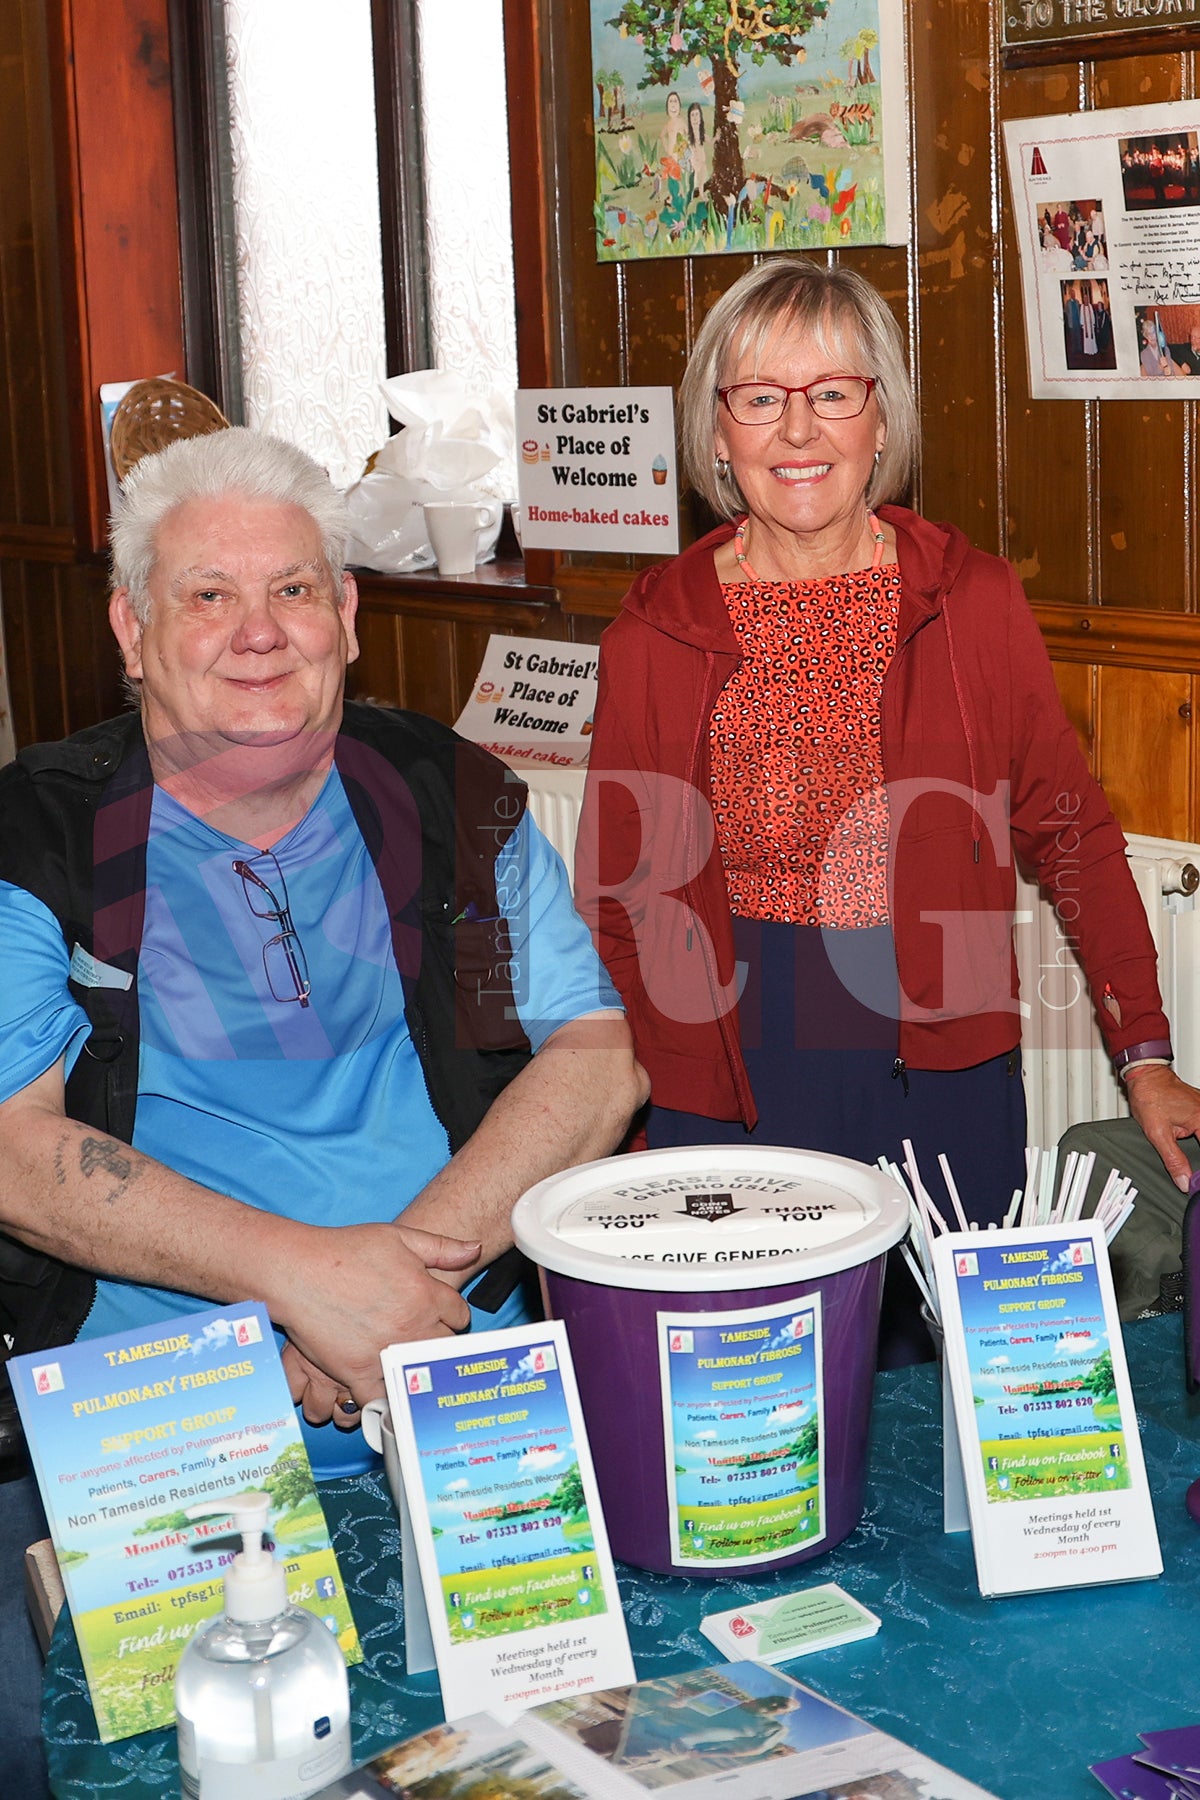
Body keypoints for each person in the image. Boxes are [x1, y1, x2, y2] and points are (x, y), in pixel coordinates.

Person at [0, 428, 647, 1796]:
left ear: (347, 615)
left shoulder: (448, 789)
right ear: (130, 625)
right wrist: (299, 1286)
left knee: (558, 1761)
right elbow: (18, 1149)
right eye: (206, 596)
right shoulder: (37, 836)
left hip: (460, 1375)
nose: (258, 634)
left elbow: (597, 1057)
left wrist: (387, 1297)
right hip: (169, 1436)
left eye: (294, 590)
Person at [575, 256, 1200, 1360]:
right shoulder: (652, 633)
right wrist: (634, 1102)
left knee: (950, 1388)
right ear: (717, 435)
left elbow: (1072, 835)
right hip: (732, 1058)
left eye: (833, 393)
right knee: (751, 1378)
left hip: (940, 1055)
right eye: (759, 398)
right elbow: (618, 900)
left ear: (881, 421)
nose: (797, 430)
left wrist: (1143, 1055)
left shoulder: (974, 602)